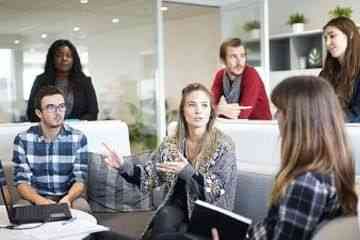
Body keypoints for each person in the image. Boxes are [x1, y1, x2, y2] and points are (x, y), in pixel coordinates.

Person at [92, 83, 237, 240]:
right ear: (183, 111)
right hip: (176, 209)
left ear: (210, 111)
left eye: (204, 105)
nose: (198, 111)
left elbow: (218, 190)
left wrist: (188, 172)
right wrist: (123, 166)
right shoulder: (171, 143)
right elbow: (149, 176)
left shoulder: (223, 145)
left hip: (209, 215)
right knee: (164, 216)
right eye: (192, 105)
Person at [219, 76, 356, 240]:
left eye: (280, 110)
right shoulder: (332, 167)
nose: (276, 117)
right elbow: (272, 228)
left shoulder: (306, 183)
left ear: (298, 119)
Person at [13, 86, 90, 211]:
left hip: (69, 197)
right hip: (36, 199)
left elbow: (80, 180)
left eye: (61, 106)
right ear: (39, 113)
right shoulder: (23, 139)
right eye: (50, 107)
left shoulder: (78, 138)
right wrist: (40, 201)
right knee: (21, 209)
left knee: (82, 207)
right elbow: (22, 182)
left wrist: (68, 199)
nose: (58, 112)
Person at [27, 39, 99, 122]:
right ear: (52, 59)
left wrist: (74, 124)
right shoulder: (41, 81)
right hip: (47, 131)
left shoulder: (85, 82)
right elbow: (31, 112)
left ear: (74, 59)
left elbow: (93, 112)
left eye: (69, 56)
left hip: (78, 131)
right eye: (59, 55)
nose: (64, 59)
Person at [211, 38, 271, 120]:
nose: (239, 62)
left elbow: (243, 114)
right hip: (236, 127)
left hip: (260, 127)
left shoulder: (251, 74)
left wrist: (219, 110)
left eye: (242, 56)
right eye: (233, 56)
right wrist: (218, 110)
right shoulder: (220, 75)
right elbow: (209, 106)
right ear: (223, 60)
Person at [320, 16, 360, 122]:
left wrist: (325, 119)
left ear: (350, 35)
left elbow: (357, 115)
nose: (327, 43)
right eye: (325, 38)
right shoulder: (326, 73)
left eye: (332, 36)